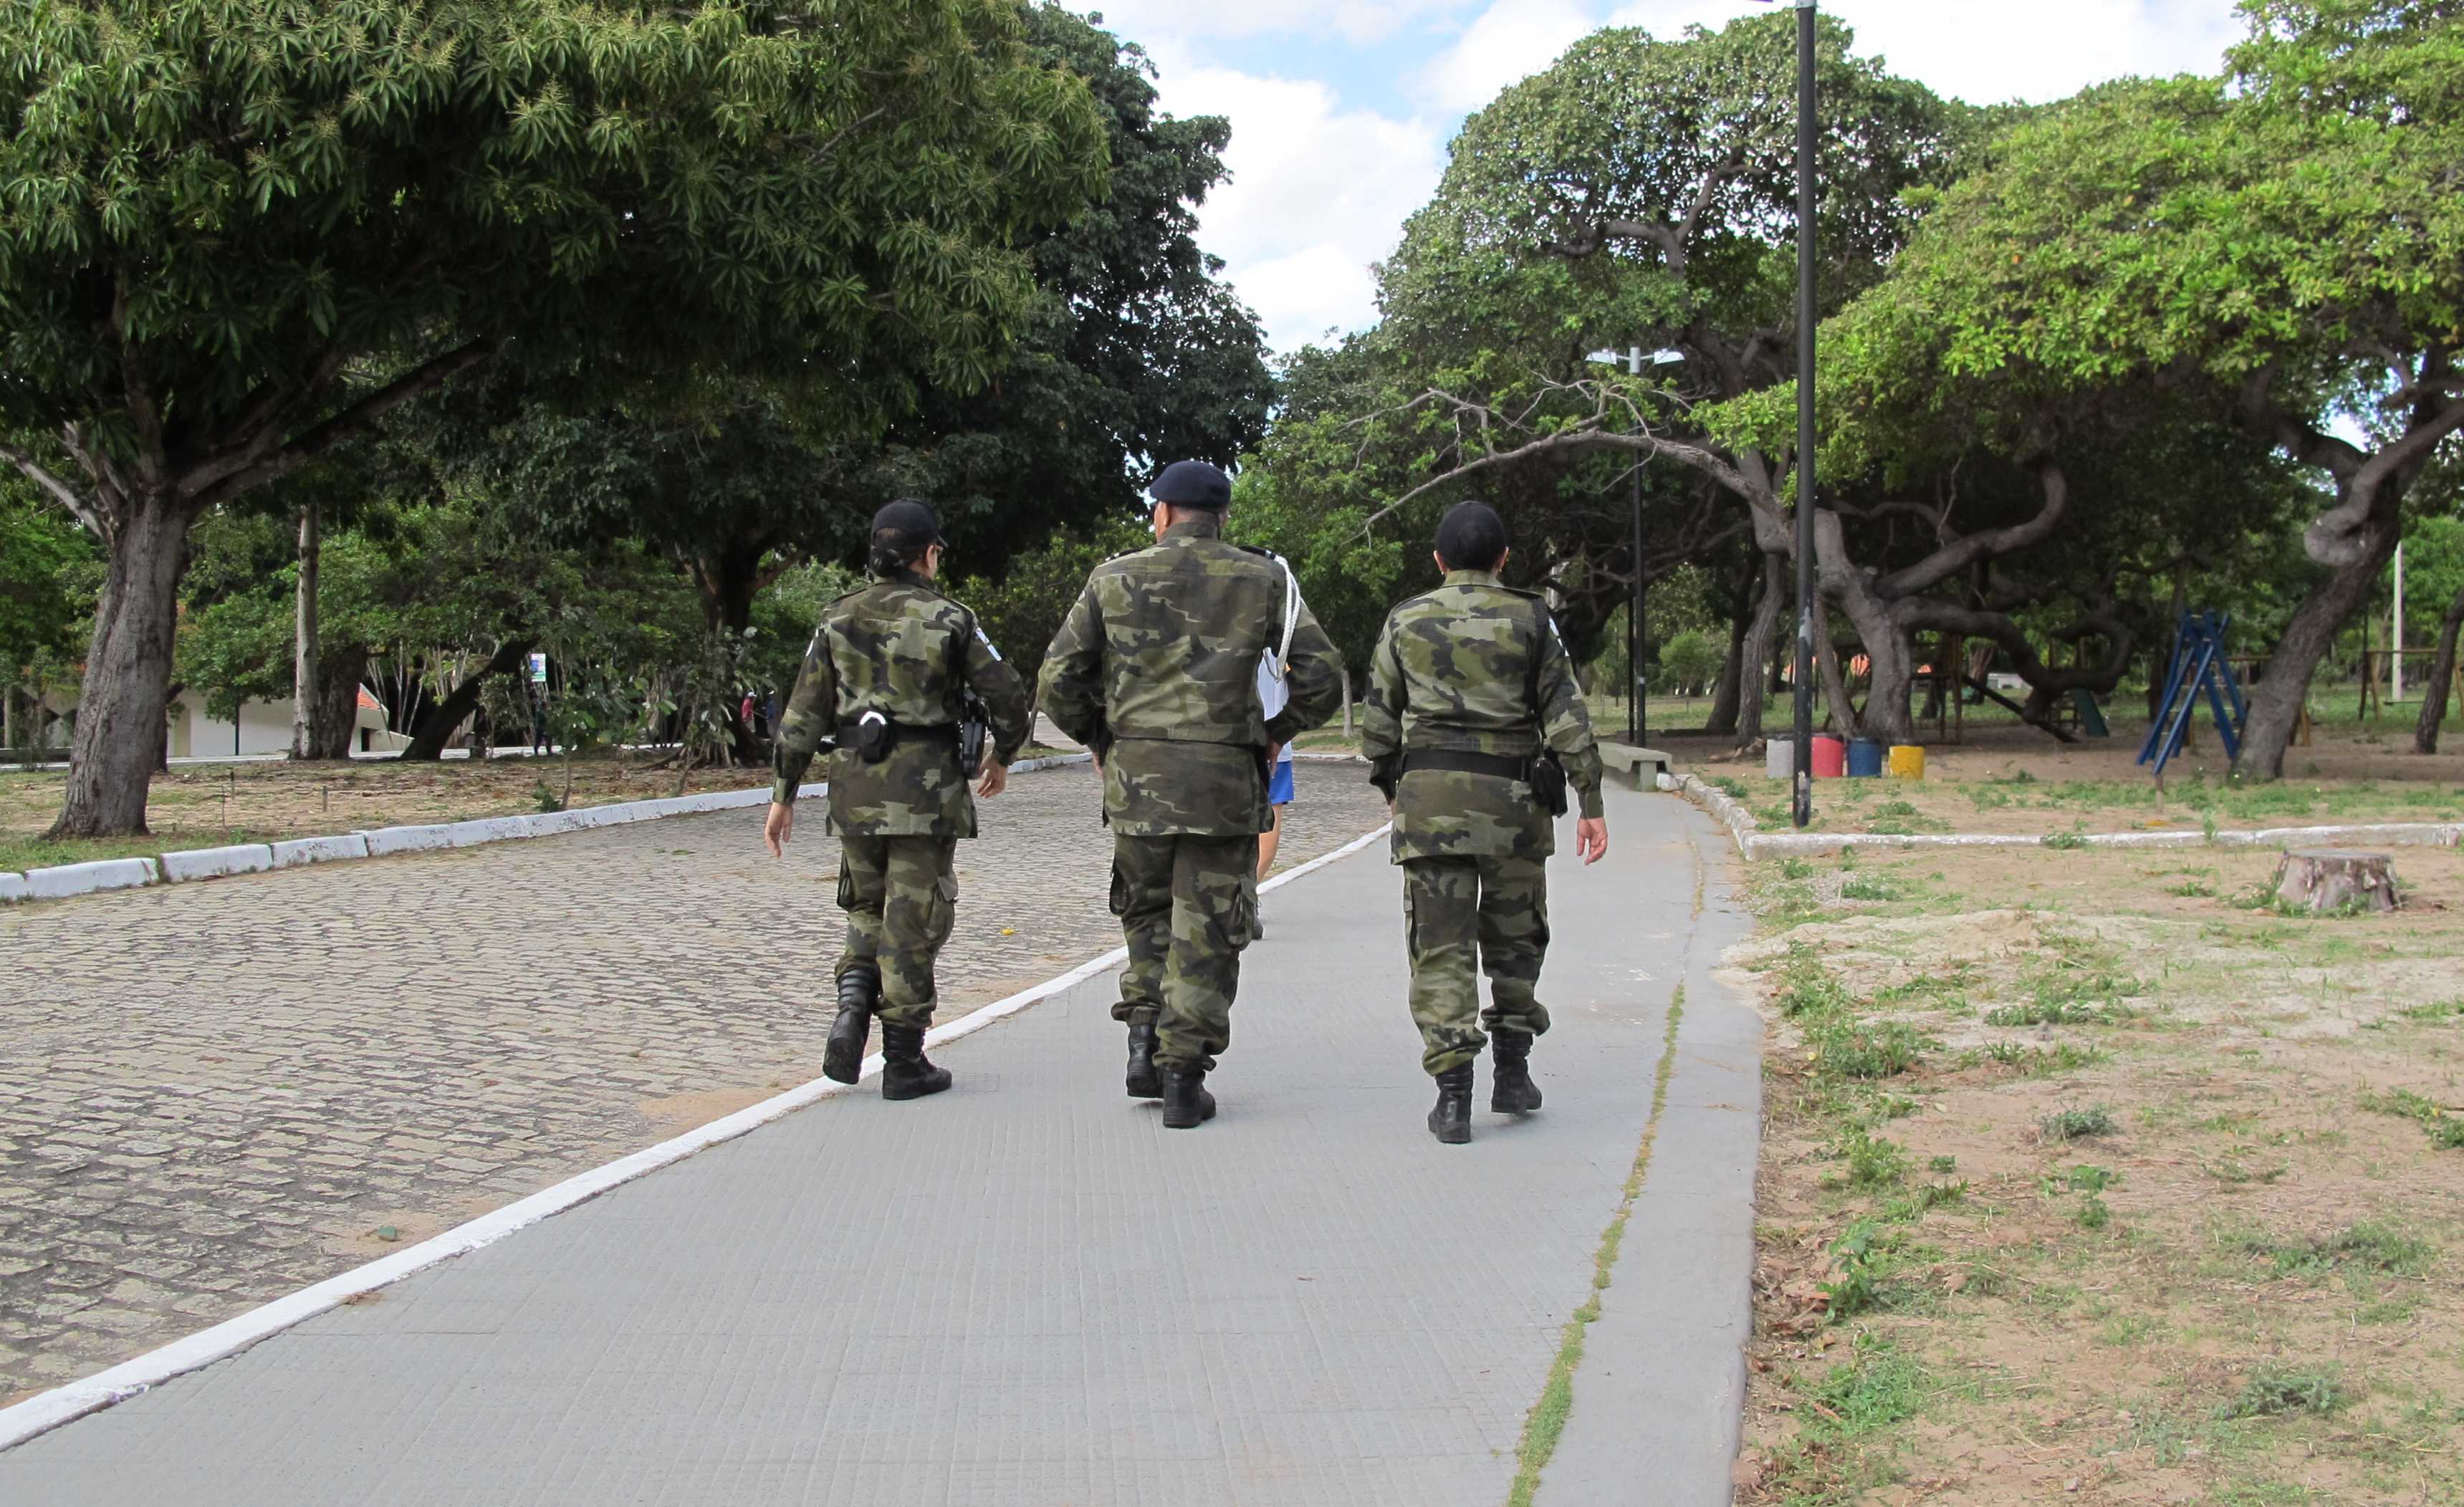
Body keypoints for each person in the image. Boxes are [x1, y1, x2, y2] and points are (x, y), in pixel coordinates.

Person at [1038, 460, 1343, 1128]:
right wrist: (1273, 732)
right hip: (1223, 783)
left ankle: (1143, 1042)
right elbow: (1322, 676)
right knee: (1206, 929)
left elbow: (1057, 680)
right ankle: (1183, 1076)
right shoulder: (1265, 579)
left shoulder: (1111, 579)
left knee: (1146, 917)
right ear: (1221, 517)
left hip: (1137, 782)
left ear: (1161, 513)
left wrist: (1102, 739)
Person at [764, 499, 1030, 1100]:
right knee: (913, 916)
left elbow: (802, 713)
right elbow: (1006, 693)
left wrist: (783, 794)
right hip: (925, 791)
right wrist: (1003, 755)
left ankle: (852, 1005)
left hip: (855, 784)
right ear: (928, 553)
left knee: (864, 907)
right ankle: (904, 1061)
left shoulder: (836, 618)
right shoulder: (951, 618)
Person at [1361, 499, 1608, 1145]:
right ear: (1504, 560)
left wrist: (1395, 790)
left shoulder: (1404, 619)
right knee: (1516, 939)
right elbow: (1566, 715)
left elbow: (1378, 724)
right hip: (1514, 807)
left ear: (1438, 560)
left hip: (1429, 805)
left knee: (1439, 948)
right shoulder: (1532, 618)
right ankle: (1513, 1072)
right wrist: (1591, 802)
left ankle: (1451, 1098)